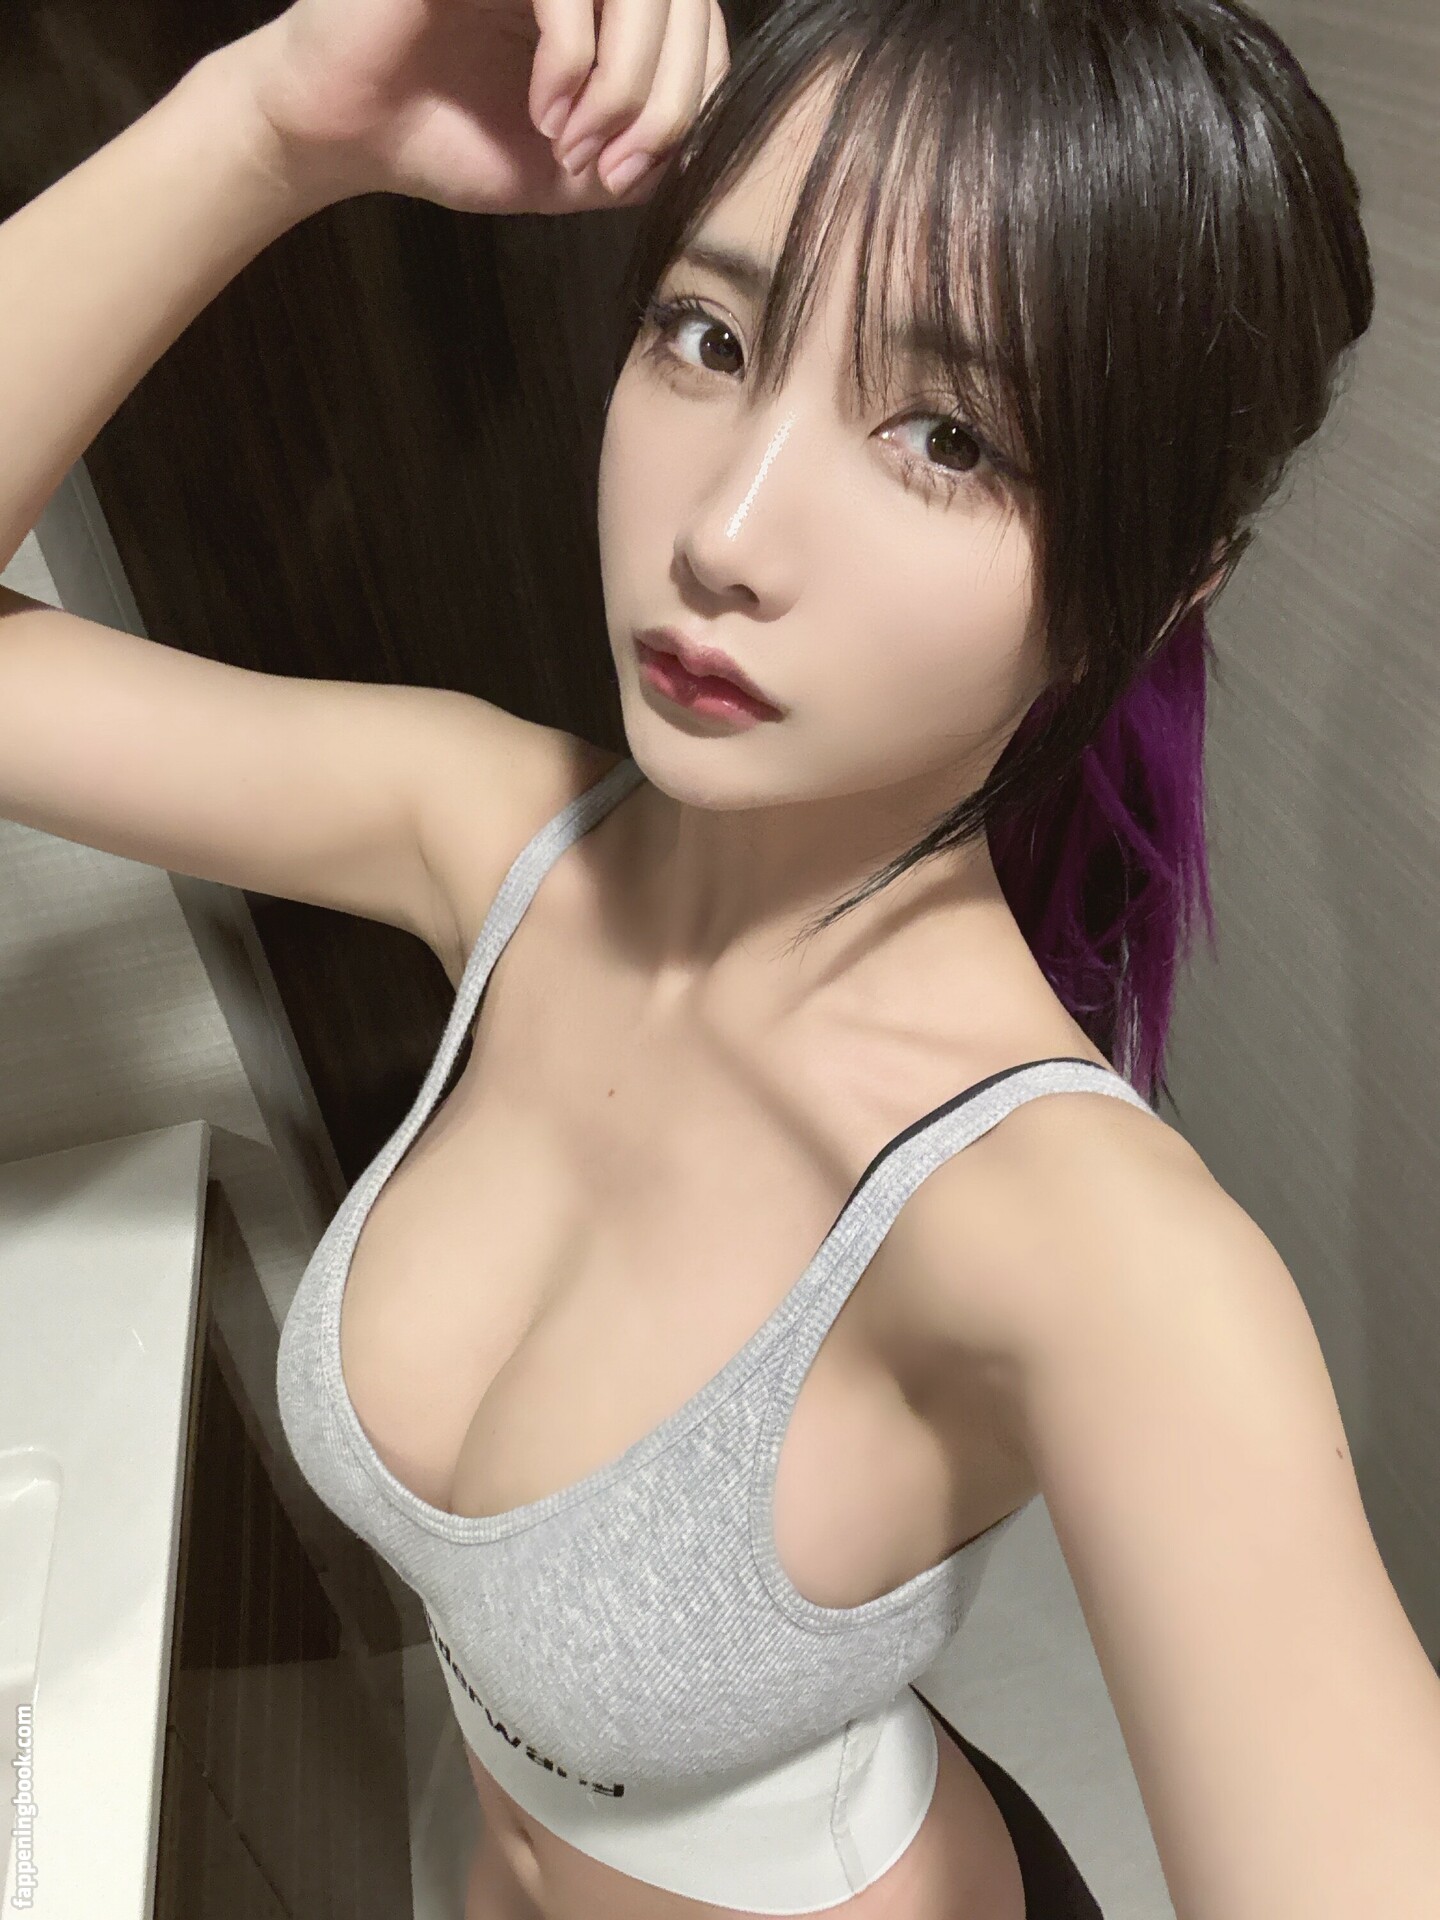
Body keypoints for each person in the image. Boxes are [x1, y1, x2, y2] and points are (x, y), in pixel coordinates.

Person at [5, 2, 1440, 1918]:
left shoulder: (1098, 1256)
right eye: (710, 334)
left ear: (1166, 585)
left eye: (949, 437)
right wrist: (274, 121)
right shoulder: (481, 835)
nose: (727, 536)